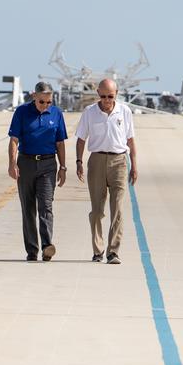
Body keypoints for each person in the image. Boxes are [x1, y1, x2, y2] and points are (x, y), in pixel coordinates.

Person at [75, 79, 138, 264]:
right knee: (96, 210)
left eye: (110, 96)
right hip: (97, 161)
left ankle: (113, 251)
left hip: (119, 161)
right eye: (103, 96)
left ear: (116, 93)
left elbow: (131, 140)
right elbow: (80, 139)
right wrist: (79, 162)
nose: (106, 100)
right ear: (97, 94)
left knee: (117, 208)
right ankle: (98, 250)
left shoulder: (124, 111)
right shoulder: (90, 113)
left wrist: (134, 165)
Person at [7, 81, 68, 261]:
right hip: (26, 163)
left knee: (46, 206)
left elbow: (60, 143)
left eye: (49, 102)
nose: (45, 105)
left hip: (48, 165)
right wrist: (12, 163)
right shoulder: (22, 112)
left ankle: (47, 245)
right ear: (34, 96)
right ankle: (32, 250)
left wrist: (63, 167)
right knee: (28, 208)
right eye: (42, 102)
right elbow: (14, 140)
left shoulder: (56, 114)